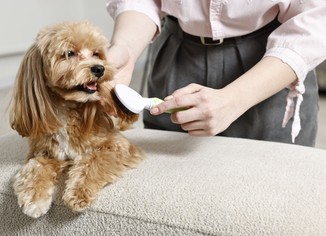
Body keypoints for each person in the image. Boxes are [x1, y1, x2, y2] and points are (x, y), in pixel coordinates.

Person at [105, 0, 326, 147]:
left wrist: (236, 99)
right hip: (179, 52)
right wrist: (125, 47)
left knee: (272, 186)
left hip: (271, 64)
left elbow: (316, 20)